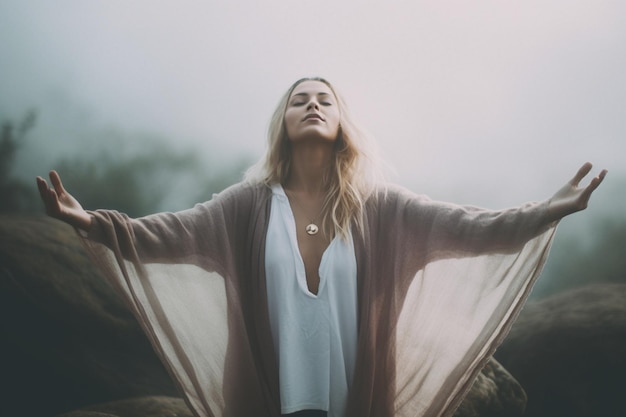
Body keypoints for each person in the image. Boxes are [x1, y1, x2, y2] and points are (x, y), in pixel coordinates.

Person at [37, 77, 607, 417]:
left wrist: (546, 210)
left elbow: (471, 226)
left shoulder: (383, 208)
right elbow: (160, 235)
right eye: (299, 100)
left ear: (341, 123)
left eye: (325, 100)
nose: (312, 105)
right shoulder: (244, 206)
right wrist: (86, 219)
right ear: (282, 123)